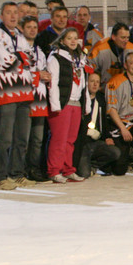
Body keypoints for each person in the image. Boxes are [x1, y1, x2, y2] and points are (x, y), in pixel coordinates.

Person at [0, 1, 35, 190]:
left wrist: (19, 58)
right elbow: (6, 62)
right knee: (3, 138)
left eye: (15, 12)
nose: (13, 16)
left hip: (24, 92)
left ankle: (16, 174)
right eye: (8, 13)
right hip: (6, 93)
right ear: (1, 16)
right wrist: (20, 58)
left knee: (21, 139)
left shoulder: (19, 36)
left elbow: (31, 59)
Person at [45, 27, 89, 183]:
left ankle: (67, 169)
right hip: (62, 104)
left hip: (76, 103)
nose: (73, 41)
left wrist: (86, 104)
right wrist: (55, 104)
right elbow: (53, 83)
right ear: (62, 40)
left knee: (70, 140)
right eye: (69, 38)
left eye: (75, 38)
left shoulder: (79, 59)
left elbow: (84, 84)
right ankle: (54, 170)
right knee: (59, 139)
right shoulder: (55, 57)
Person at [73, 71, 121, 178]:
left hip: (96, 142)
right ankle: (84, 165)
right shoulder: (80, 99)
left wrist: (107, 137)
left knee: (115, 152)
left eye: (97, 82)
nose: (95, 84)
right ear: (86, 83)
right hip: (82, 144)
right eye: (92, 81)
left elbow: (104, 121)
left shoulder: (101, 100)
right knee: (84, 174)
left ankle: (93, 166)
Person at [21, 15, 51, 183]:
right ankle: (20, 169)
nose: (32, 30)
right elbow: (18, 72)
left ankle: (33, 169)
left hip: (40, 99)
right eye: (29, 27)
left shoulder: (39, 50)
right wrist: (38, 75)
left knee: (38, 139)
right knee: (23, 138)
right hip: (24, 99)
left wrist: (46, 76)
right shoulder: (18, 48)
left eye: (34, 27)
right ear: (22, 29)